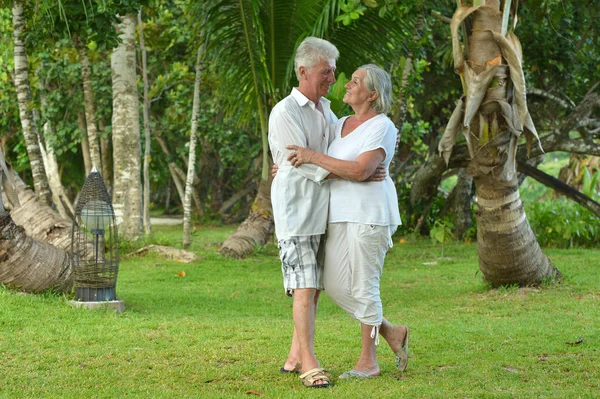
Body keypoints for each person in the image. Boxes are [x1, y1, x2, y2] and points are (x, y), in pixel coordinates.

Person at [286, 64, 409, 379]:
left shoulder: (382, 127)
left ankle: (369, 361)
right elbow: (335, 166)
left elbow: (360, 170)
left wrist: (316, 157)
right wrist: (289, 166)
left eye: (356, 81)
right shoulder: (338, 123)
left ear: (372, 94)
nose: (348, 84)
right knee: (337, 288)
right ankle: (391, 332)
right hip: (337, 216)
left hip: (369, 217)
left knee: (365, 288)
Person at [268, 36, 338, 388]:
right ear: (303, 70)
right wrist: (350, 169)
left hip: (322, 211)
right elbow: (302, 163)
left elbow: (335, 152)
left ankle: (295, 356)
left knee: (313, 289)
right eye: (326, 72)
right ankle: (310, 364)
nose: (332, 79)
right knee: (304, 287)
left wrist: (359, 164)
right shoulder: (285, 111)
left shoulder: (328, 110)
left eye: (335, 72)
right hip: (295, 212)